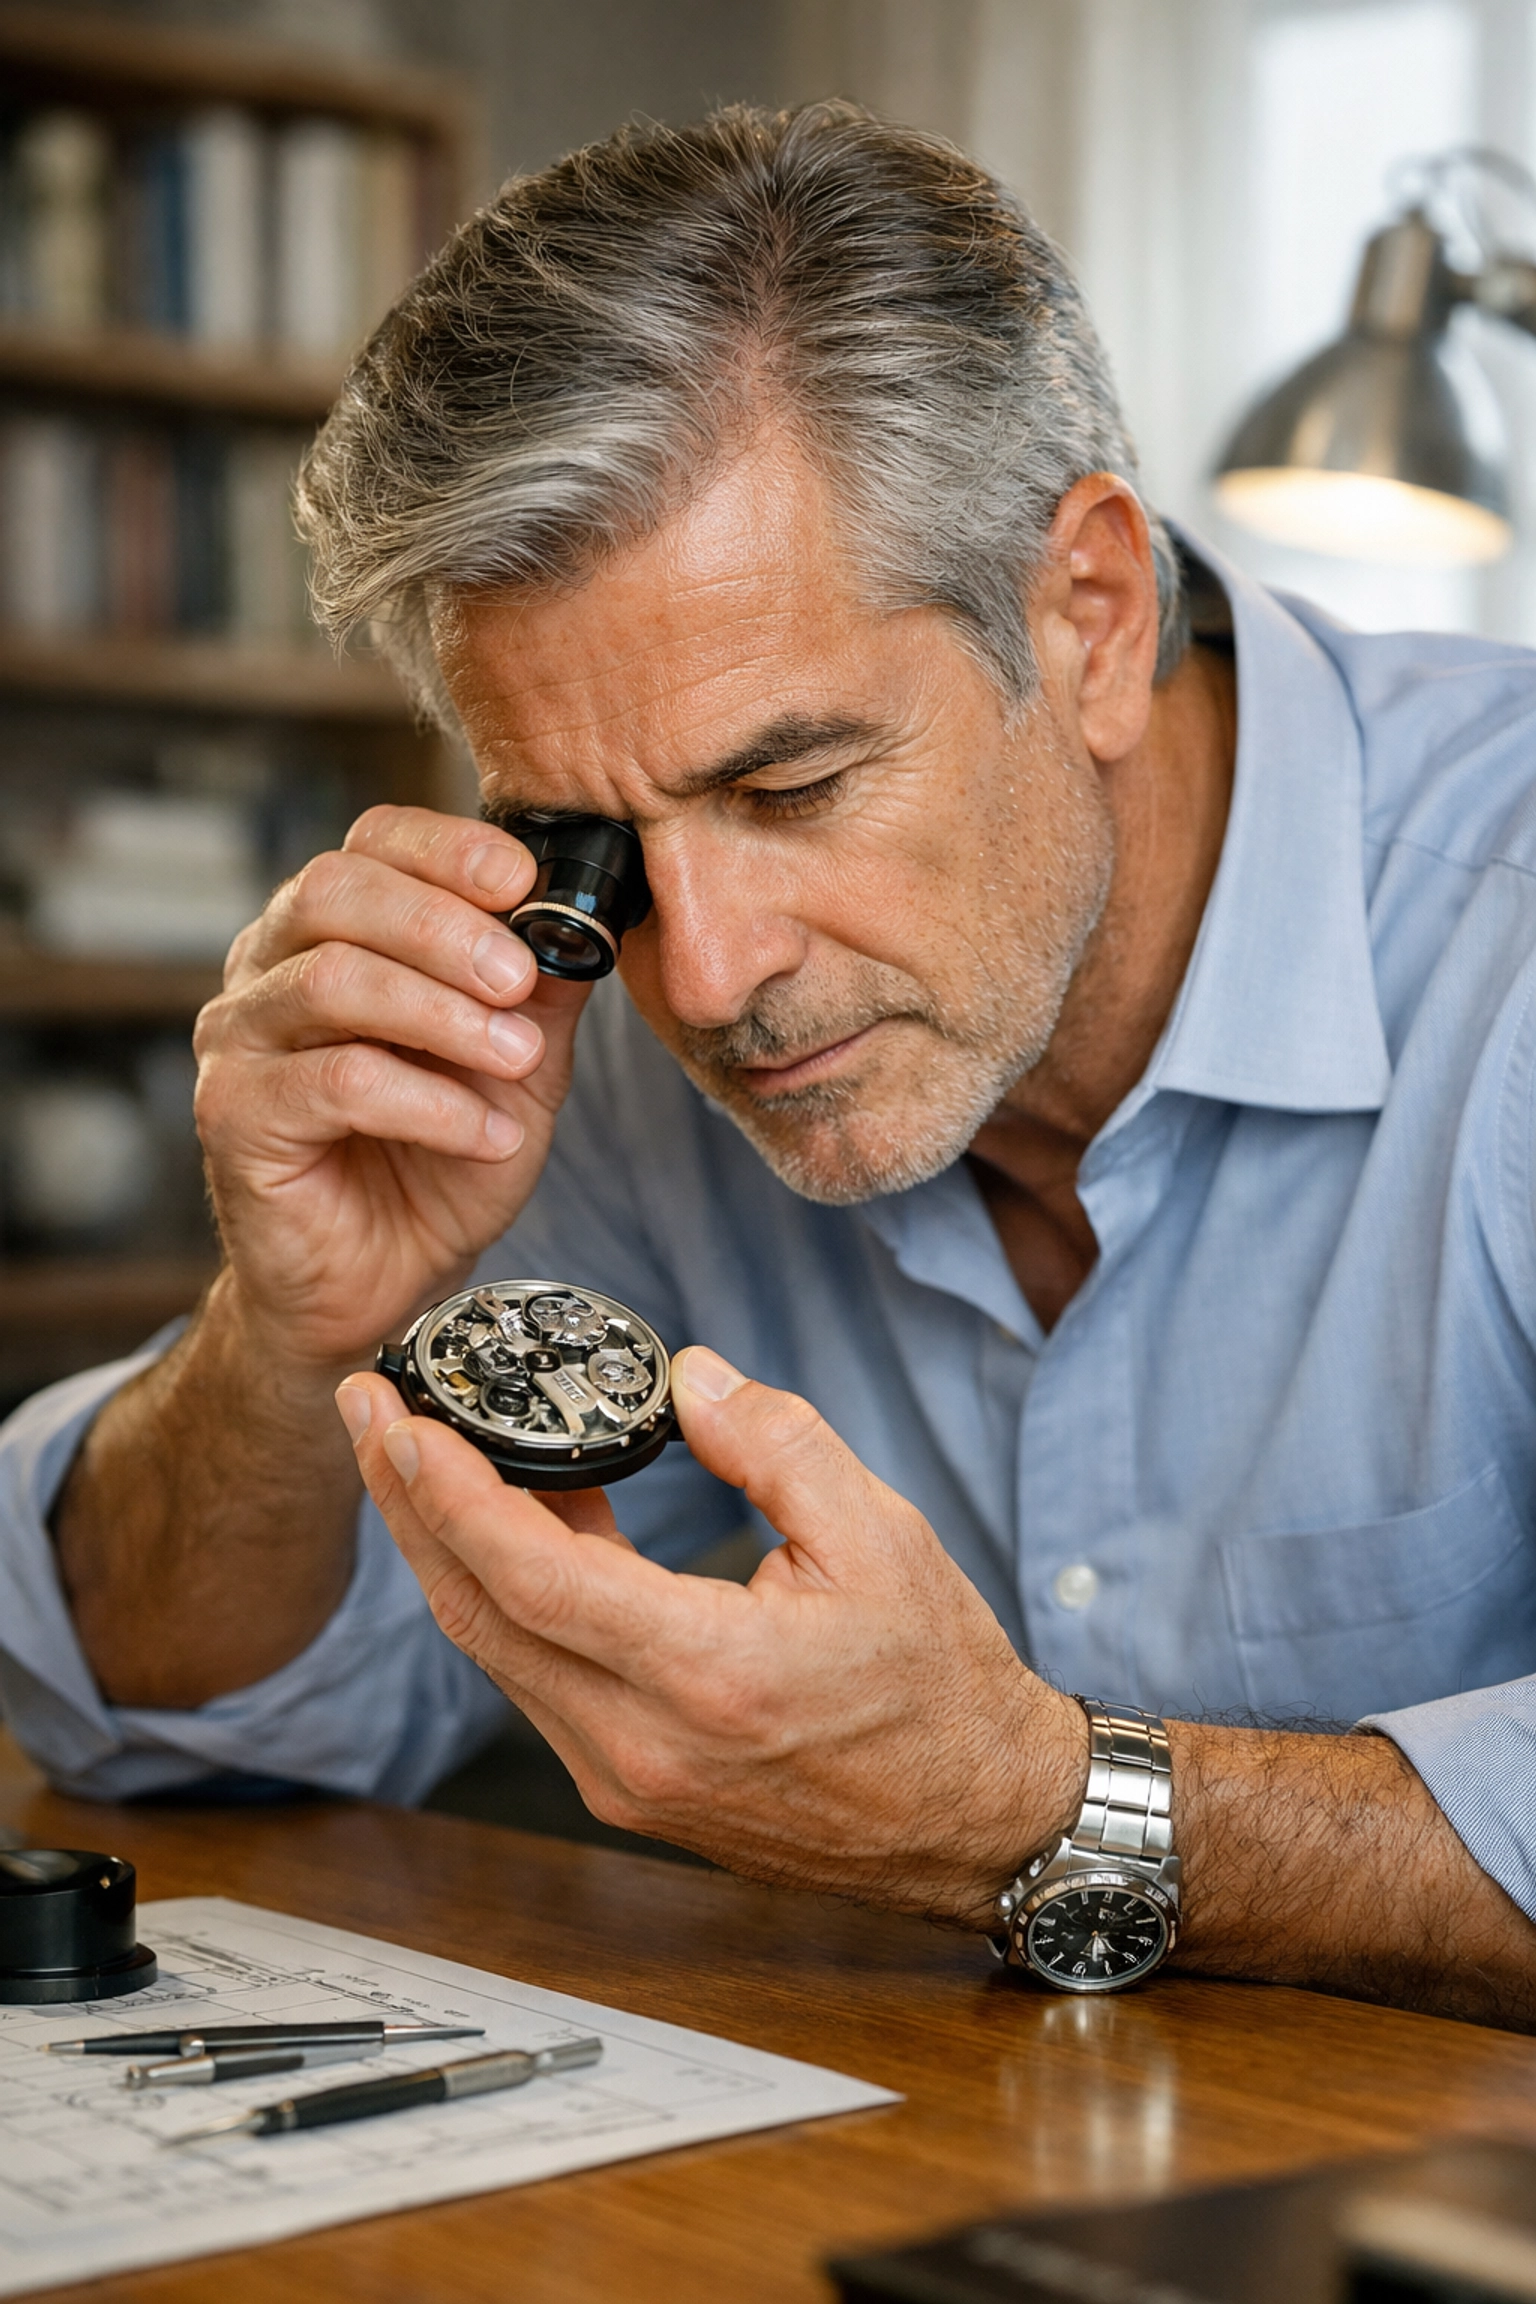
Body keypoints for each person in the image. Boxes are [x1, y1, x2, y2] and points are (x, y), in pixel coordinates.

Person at [3, 103, 1534, 2025]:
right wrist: (284, 1331)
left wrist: (1040, 1811)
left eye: (791, 784)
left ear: (1090, 616)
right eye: (596, 846)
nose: (713, 980)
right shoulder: (608, 1044)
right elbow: (177, 1717)